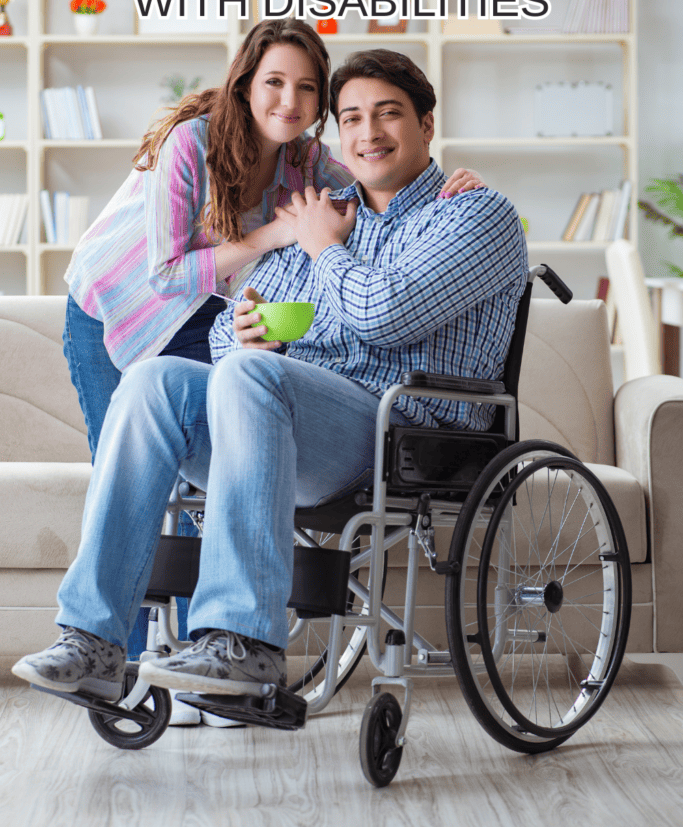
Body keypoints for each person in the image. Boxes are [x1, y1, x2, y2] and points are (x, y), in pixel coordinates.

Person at [13, 49, 526, 703]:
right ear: (335, 133)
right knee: (155, 382)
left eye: (388, 114)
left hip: (405, 431)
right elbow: (231, 329)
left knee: (255, 377)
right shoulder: (325, 204)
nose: (368, 132)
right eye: (351, 118)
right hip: (299, 422)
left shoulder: (471, 215)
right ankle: (94, 640)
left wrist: (322, 247)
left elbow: (386, 314)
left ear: (427, 124)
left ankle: (244, 642)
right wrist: (249, 332)